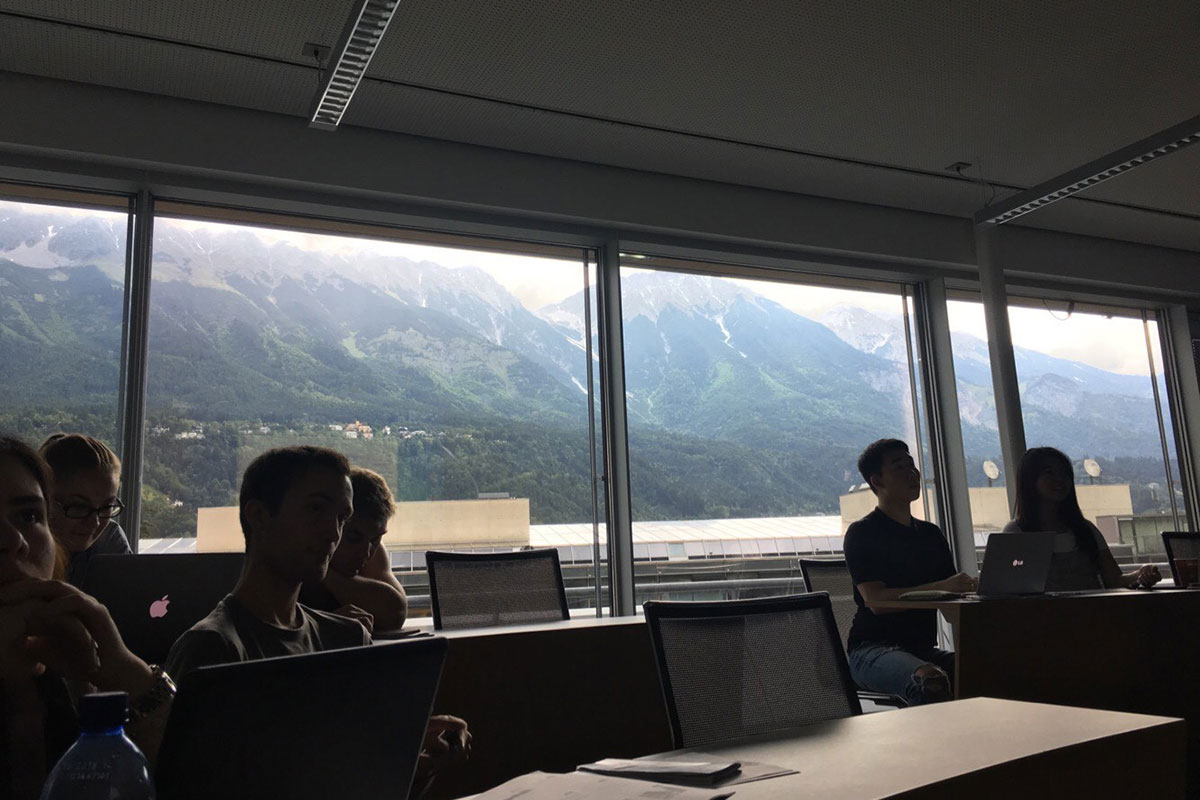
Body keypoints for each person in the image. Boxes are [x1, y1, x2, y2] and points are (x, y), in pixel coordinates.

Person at [165, 446, 469, 785]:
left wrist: (415, 762)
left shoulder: (347, 638)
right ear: (259, 516)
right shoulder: (212, 650)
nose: (333, 532)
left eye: (341, 518)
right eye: (316, 510)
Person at [0, 437, 173, 800]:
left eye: (29, 515)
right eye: (78, 508)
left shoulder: (56, 674)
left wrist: (122, 672)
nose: (13, 539)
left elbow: (207, 774)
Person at [843, 438, 977, 705]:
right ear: (877, 482)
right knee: (929, 681)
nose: (912, 472)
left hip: (921, 651)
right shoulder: (862, 533)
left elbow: (952, 605)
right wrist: (943, 587)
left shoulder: (930, 534)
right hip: (871, 650)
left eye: (912, 464)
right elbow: (876, 601)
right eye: (899, 466)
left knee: (992, 669)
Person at [1002, 447, 1160, 590]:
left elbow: (1114, 579)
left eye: (1064, 473)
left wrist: (1142, 573)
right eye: (1049, 472)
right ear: (1030, 480)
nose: (1059, 479)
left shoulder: (1085, 530)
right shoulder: (1016, 533)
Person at [299, 467, 408, 632]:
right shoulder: (292, 551)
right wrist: (324, 626)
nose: (365, 552)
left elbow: (395, 612)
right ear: (337, 523)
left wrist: (322, 571)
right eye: (353, 537)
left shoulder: (370, 544)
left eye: (376, 538)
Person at [39, 434, 131, 587]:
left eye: (107, 507)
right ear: (45, 500)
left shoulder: (109, 538)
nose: (94, 522)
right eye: (80, 507)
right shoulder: (19, 547)